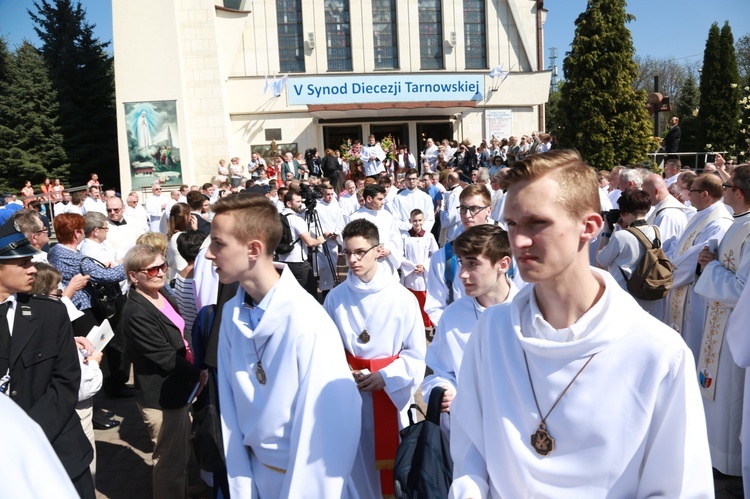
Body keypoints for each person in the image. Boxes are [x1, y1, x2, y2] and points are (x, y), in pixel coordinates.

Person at [449, 149, 713, 498]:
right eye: (512, 224)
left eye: (537, 223)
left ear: (588, 227)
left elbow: (678, 488)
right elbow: (470, 451)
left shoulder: (657, 352)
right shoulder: (492, 331)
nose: (518, 241)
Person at [206, 193, 361, 497]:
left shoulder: (307, 321)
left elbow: (331, 429)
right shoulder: (231, 314)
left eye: (218, 244)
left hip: (305, 482)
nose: (209, 254)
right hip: (256, 477)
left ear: (253, 249)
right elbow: (229, 415)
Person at [324, 218, 425, 498]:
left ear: (378, 250)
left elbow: (416, 354)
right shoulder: (335, 298)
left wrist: (385, 375)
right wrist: (345, 371)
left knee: (393, 475)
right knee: (354, 470)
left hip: (389, 398)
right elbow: (325, 349)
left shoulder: (402, 298)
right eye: (347, 253)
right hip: (350, 395)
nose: (353, 259)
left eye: (360, 252)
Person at [0, 220, 96, 497]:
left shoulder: (50, 313)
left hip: (58, 448)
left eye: (31, 260)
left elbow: (65, 381)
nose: (32, 268)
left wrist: (26, 435)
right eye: (22, 263)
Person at [121, 244, 206, 498]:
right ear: (134, 276)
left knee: (179, 455)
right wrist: (197, 373)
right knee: (168, 462)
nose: (159, 272)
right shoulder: (136, 311)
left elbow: (180, 332)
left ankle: (181, 490)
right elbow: (164, 357)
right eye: (152, 269)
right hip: (161, 398)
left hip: (179, 388)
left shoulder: (161, 294)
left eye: (162, 266)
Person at [422, 224, 516, 438]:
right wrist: (445, 388)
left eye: (473, 264)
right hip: (466, 434)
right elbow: (439, 371)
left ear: (503, 264)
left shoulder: (527, 312)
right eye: (461, 263)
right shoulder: (453, 315)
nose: (462, 274)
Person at [692, 165, 750, 478]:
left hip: (735, 330)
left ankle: (729, 468)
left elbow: (744, 290)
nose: (722, 189)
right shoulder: (736, 224)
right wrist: (709, 263)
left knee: (730, 399)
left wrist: (712, 267)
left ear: (737, 192)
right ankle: (716, 459)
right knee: (716, 395)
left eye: (726, 186)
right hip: (719, 322)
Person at [666, 173, 732, 359]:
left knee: (690, 345)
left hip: (694, 294)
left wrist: (666, 270)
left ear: (704, 194)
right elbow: (681, 247)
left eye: (691, 191)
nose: (687, 195)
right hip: (682, 289)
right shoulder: (699, 215)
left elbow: (694, 259)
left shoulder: (719, 222)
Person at [425, 184, 492, 324]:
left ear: (489, 210)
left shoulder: (508, 250)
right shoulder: (444, 256)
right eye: (463, 209)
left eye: (474, 209)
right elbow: (436, 305)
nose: (467, 215)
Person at [596, 190, 665, 319]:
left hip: (625, 297)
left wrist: (606, 231)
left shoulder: (620, 236)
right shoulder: (656, 231)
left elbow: (600, 262)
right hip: (648, 294)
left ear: (625, 212)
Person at [348, 184, 403, 279]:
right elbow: (350, 244)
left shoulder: (387, 216)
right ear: (369, 199)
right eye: (380, 199)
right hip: (364, 266)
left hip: (385, 264)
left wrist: (389, 250)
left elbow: (396, 238)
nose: (383, 202)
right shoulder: (354, 218)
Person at [277, 190, 326, 296]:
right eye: (298, 202)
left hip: (281, 261)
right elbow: (310, 242)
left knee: (287, 294)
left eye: (301, 201)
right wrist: (320, 240)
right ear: (288, 203)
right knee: (308, 295)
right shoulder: (296, 220)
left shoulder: (276, 217)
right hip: (298, 264)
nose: (301, 205)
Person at [401, 209, 439, 329]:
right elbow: (400, 255)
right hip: (410, 274)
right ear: (410, 221)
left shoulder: (429, 236)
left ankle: (427, 324)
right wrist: (412, 266)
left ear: (423, 220)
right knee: (411, 299)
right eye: (414, 221)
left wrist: (424, 265)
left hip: (424, 274)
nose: (417, 223)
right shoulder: (405, 237)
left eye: (419, 220)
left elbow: (435, 254)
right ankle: (412, 324)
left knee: (424, 299)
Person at [642, 173, 692, 255]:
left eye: (646, 193)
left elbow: (661, 248)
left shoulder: (667, 214)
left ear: (656, 191)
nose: (645, 197)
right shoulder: (664, 209)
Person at [392, 168, 436, 234]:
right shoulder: (398, 198)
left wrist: (420, 230)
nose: (411, 181)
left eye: (413, 179)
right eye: (409, 179)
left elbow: (430, 218)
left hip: (422, 235)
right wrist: (410, 228)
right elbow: (396, 219)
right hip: (405, 234)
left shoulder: (426, 197)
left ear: (418, 179)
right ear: (405, 180)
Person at [166, 202, 197, 280]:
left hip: (174, 275)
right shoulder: (182, 237)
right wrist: (196, 230)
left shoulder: (169, 236)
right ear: (186, 216)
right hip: (185, 276)